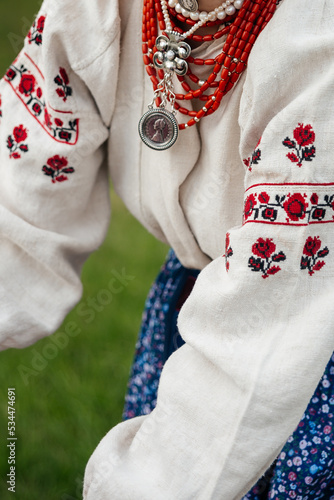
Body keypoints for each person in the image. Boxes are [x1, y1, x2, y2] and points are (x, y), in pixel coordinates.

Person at [0, 0, 333, 498]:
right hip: (196, 309)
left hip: (302, 338)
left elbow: (266, 328)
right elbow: (18, 210)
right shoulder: (97, 10)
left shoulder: (316, 37)